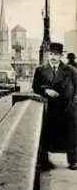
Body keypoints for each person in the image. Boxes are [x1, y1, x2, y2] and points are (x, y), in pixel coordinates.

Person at [32, 42, 77, 170]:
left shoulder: (71, 71)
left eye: (56, 54)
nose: (53, 57)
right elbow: (35, 87)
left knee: (71, 135)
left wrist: (73, 103)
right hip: (49, 108)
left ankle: (73, 161)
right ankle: (45, 161)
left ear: (61, 55)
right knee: (46, 134)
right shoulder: (40, 70)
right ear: (47, 54)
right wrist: (46, 91)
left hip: (66, 108)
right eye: (51, 53)